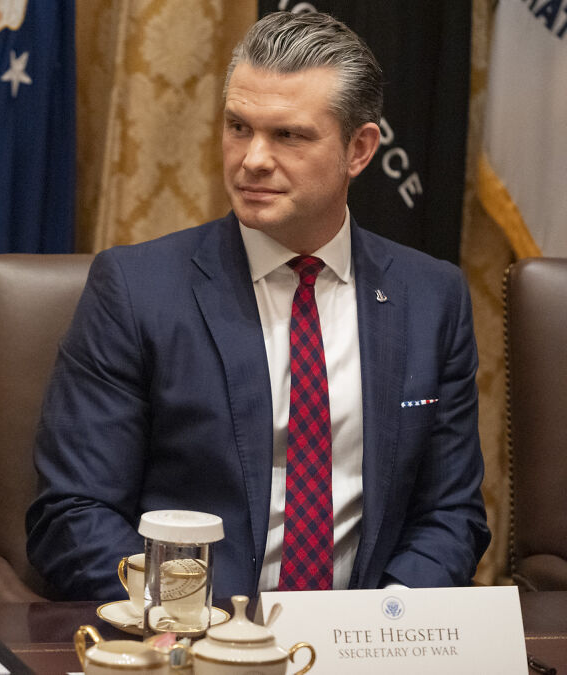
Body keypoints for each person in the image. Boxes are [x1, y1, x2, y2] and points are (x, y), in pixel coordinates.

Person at [26, 11, 489, 601]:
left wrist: (383, 631)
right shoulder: (135, 289)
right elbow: (72, 514)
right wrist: (210, 629)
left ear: (360, 149)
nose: (252, 159)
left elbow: (451, 516)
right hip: (192, 639)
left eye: (289, 135)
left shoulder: (431, 297)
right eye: (239, 127)